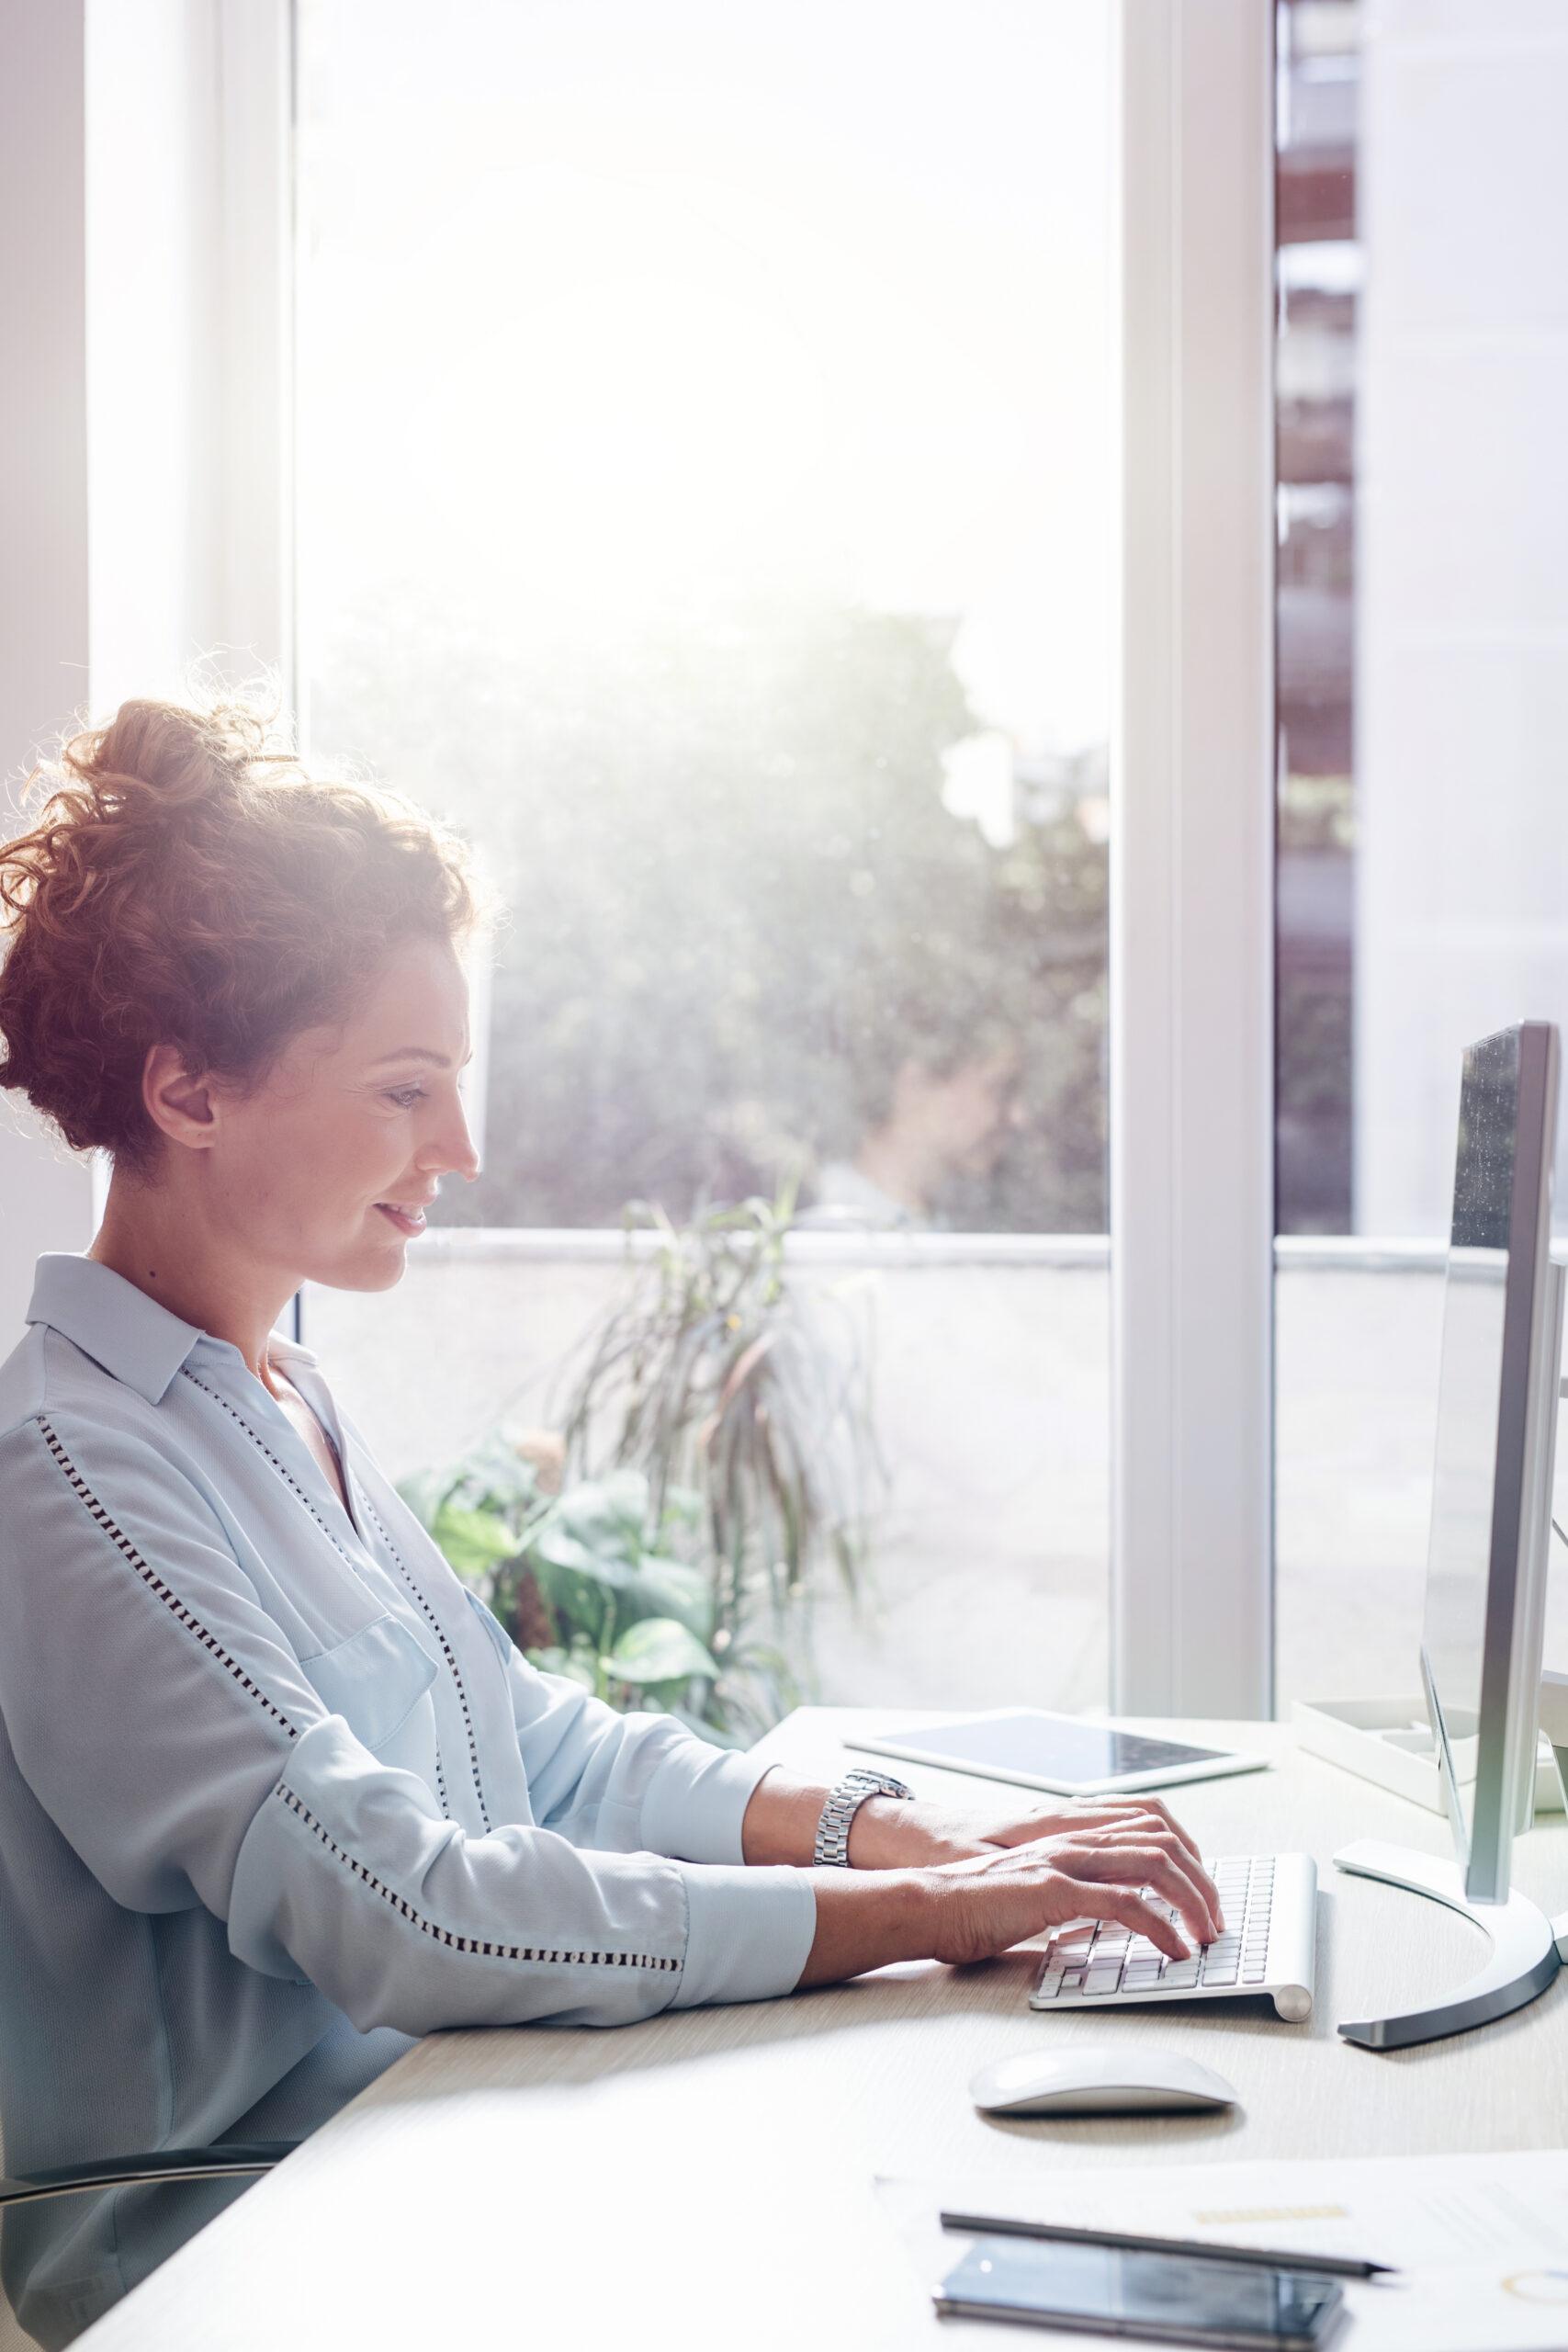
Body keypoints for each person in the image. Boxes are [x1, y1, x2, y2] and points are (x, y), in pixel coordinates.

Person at [0, 696, 1220, 2346]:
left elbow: (551, 1757)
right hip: (251, 2245)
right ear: (190, 1089)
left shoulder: (281, 1397)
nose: (463, 1148)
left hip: (439, 2137)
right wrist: (929, 1923)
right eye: (405, 1089)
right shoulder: (72, 1471)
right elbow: (406, 1905)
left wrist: (907, 1831)